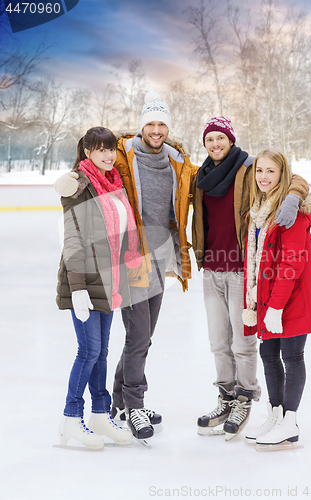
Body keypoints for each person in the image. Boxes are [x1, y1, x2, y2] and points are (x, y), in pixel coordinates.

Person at [55, 93, 198, 442]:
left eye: (162, 123)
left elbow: (222, 175)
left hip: (154, 258)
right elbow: (82, 178)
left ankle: (115, 403)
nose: (156, 129)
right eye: (150, 123)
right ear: (141, 126)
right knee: (134, 338)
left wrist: (295, 188)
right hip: (127, 264)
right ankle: (132, 405)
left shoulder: (178, 161)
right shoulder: (120, 157)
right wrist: (68, 180)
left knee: (142, 338)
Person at [192, 117, 310, 440]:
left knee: (242, 343)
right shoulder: (199, 176)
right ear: (205, 144)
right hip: (212, 267)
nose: (215, 144)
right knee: (218, 342)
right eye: (210, 139)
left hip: (242, 270)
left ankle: (245, 398)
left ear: (231, 140)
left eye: (221, 138)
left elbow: (289, 175)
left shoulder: (247, 169)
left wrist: (292, 196)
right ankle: (226, 398)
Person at [56, 126, 143, 449]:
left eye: (111, 149)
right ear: (87, 153)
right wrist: (77, 287)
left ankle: (100, 415)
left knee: (102, 352)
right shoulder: (79, 185)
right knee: (89, 351)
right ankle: (70, 419)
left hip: (109, 281)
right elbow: (73, 239)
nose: (108, 155)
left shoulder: (114, 184)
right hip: (85, 282)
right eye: (100, 149)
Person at [242, 148, 311, 450]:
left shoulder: (294, 211)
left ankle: (290, 422)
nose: (264, 177)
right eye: (260, 171)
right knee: (268, 355)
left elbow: (292, 262)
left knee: (291, 357)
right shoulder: (260, 207)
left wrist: (276, 306)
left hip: (292, 298)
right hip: (269, 297)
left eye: (271, 171)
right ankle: (275, 415)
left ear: (282, 175)